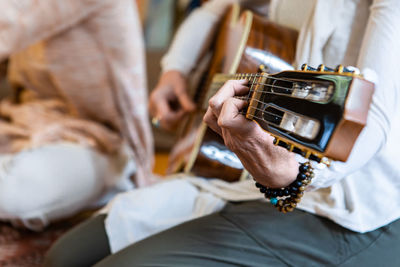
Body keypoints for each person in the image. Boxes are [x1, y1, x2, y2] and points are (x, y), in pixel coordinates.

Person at [44, 0, 400, 266]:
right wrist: (176, 72)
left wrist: (293, 175)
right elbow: (212, 11)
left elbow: (375, 118)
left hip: (350, 206)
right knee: (64, 257)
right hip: (246, 181)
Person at [0, 0, 154, 231]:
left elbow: (7, 20)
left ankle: (110, 184)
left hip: (97, 141)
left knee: (13, 192)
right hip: (23, 122)